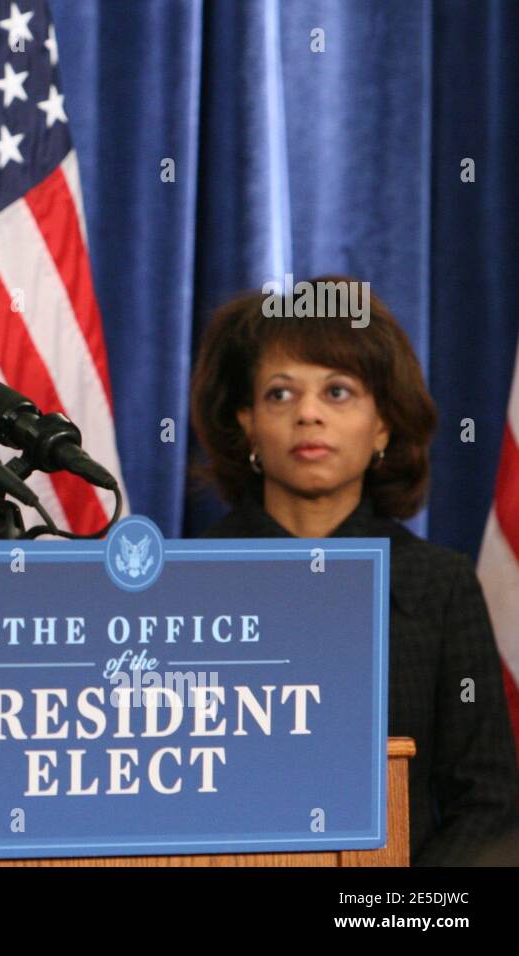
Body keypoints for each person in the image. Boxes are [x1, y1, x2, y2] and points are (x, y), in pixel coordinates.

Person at [191, 276, 519, 865]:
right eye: (280, 394)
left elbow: (487, 802)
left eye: (337, 392)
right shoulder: (188, 581)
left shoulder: (438, 585)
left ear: (384, 426)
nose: (308, 415)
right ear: (246, 423)